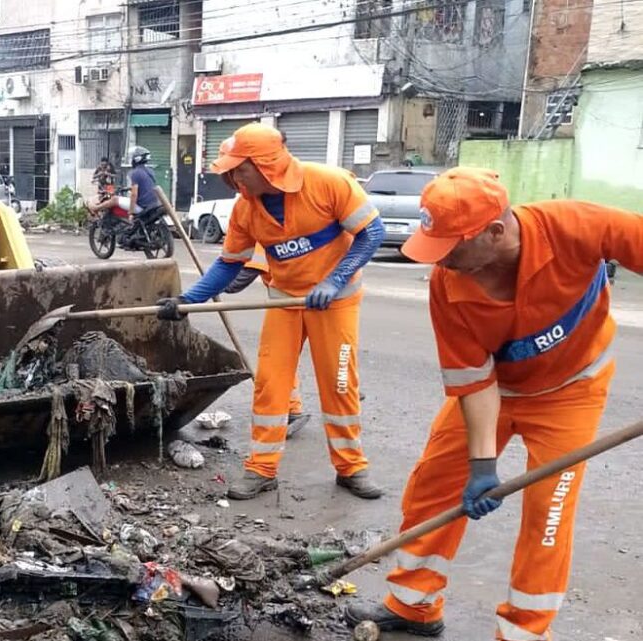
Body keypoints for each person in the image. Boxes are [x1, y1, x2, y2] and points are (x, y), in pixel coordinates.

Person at [343, 168, 642, 640]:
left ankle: (523, 631)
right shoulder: (448, 284)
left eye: (450, 246)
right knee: (434, 486)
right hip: (496, 392)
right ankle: (414, 605)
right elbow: (474, 381)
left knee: (549, 512)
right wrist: (482, 464)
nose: (439, 261)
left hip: (572, 390)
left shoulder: (578, 226)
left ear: (494, 232)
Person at [157, 124, 385, 501]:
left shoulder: (328, 184)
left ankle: (351, 468)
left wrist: (334, 280)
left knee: (339, 385)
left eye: (237, 169)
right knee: (270, 385)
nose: (229, 177)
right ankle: (262, 469)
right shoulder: (246, 209)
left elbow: (371, 233)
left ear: (267, 166)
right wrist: (187, 302)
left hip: (337, 300)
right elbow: (230, 264)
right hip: (284, 299)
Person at [223, 244, 312, 438]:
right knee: (285, 359)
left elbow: (237, 282)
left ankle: (343, 391)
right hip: (298, 298)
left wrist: (216, 281)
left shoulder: (260, 236)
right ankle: (293, 409)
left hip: (299, 302)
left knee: (277, 359)